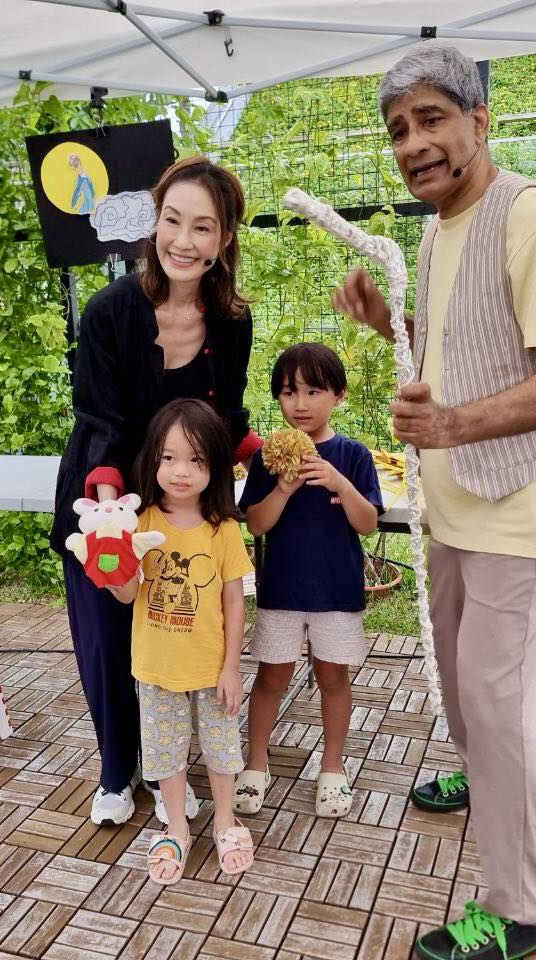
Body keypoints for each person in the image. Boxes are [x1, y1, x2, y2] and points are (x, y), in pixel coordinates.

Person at [332, 46, 536, 960]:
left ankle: (523, 912)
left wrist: (448, 428)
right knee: (461, 685)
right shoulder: (442, 228)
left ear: (482, 121)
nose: (415, 143)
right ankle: (486, 779)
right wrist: (387, 328)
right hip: (454, 504)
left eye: (434, 119)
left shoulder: (534, 220)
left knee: (496, 697)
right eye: (400, 129)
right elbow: (464, 345)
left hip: (519, 506)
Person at [52, 157, 261, 828]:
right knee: (109, 638)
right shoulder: (110, 312)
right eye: (173, 220)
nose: (184, 241)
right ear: (152, 222)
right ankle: (119, 770)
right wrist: (111, 517)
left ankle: (166, 769)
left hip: (185, 506)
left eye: (204, 227)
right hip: (104, 493)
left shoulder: (231, 320)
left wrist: (270, 456)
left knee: (177, 631)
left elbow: (226, 417)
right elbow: (101, 421)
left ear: (225, 239)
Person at [106, 399, 255, 885]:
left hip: (212, 668)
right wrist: (109, 566)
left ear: (215, 465)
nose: (181, 471)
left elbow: (235, 602)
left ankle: (226, 822)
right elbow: (128, 593)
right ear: (152, 460)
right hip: (155, 667)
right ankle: (176, 828)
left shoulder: (225, 529)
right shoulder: (141, 522)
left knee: (221, 749)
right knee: (164, 753)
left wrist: (231, 667)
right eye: (168, 458)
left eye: (196, 460)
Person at [233, 343, 382, 819]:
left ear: (337, 395)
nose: (299, 404)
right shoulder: (267, 459)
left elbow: (367, 523)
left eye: (313, 390)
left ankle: (333, 768)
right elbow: (256, 524)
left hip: (336, 593)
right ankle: (256, 764)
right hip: (281, 591)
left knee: (333, 675)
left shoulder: (353, 456)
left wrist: (339, 482)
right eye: (287, 392)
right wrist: (283, 486)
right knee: (272, 675)